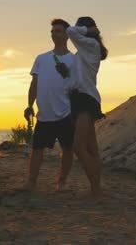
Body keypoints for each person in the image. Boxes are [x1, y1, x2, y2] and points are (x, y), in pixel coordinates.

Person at [23, 19, 76, 192]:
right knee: (37, 149)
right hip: (44, 114)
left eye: (58, 31)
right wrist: (29, 105)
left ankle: (61, 182)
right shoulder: (41, 58)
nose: (54, 34)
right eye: (52, 31)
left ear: (67, 34)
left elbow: (77, 86)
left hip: (65, 113)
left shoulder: (74, 60)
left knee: (67, 149)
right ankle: (31, 182)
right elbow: (34, 84)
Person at [66, 16, 108, 198]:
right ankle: (95, 188)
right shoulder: (83, 51)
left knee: (78, 146)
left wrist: (88, 31)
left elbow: (70, 31)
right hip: (79, 98)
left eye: (80, 27)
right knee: (91, 148)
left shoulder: (91, 45)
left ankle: (96, 187)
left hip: (86, 99)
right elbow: (77, 76)